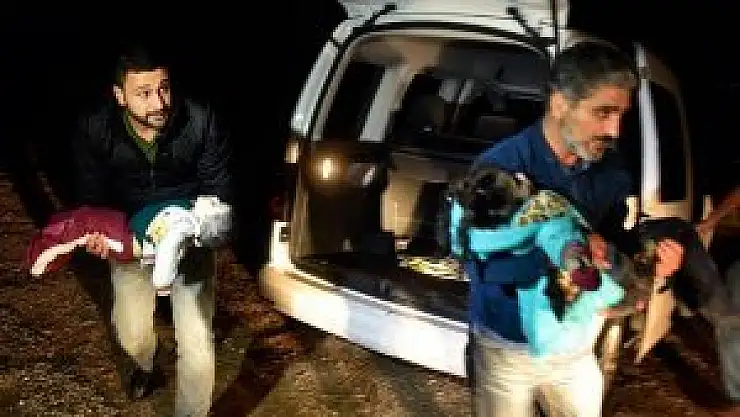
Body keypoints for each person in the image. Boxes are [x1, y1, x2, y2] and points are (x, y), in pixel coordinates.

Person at [464, 41, 685, 417]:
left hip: (577, 349)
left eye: (621, 115)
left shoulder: (612, 169)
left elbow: (619, 239)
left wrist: (649, 263)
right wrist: (563, 254)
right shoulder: (500, 169)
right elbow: (478, 263)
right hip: (509, 350)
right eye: (603, 113)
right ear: (559, 103)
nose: (615, 130)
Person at [70, 44, 233, 417]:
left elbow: (220, 192)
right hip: (130, 237)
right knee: (131, 332)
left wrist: (204, 228)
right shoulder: (96, 129)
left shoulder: (199, 120)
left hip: (188, 236)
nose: (159, 102)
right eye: (143, 93)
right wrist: (95, 235)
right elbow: (91, 199)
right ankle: (146, 363)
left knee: (197, 340)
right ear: (120, 96)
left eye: (164, 88)